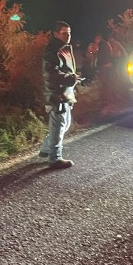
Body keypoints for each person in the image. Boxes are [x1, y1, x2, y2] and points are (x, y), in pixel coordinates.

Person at [38, 21, 81, 168]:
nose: (68, 35)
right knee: (59, 125)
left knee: (64, 124)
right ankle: (55, 158)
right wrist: (71, 78)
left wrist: (73, 81)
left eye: (69, 33)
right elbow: (50, 73)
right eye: (64, 33)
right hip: (57, 94)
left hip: (64, 93)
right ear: (55, 33)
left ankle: (45, 149)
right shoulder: (53, 50)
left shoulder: (63, 48)